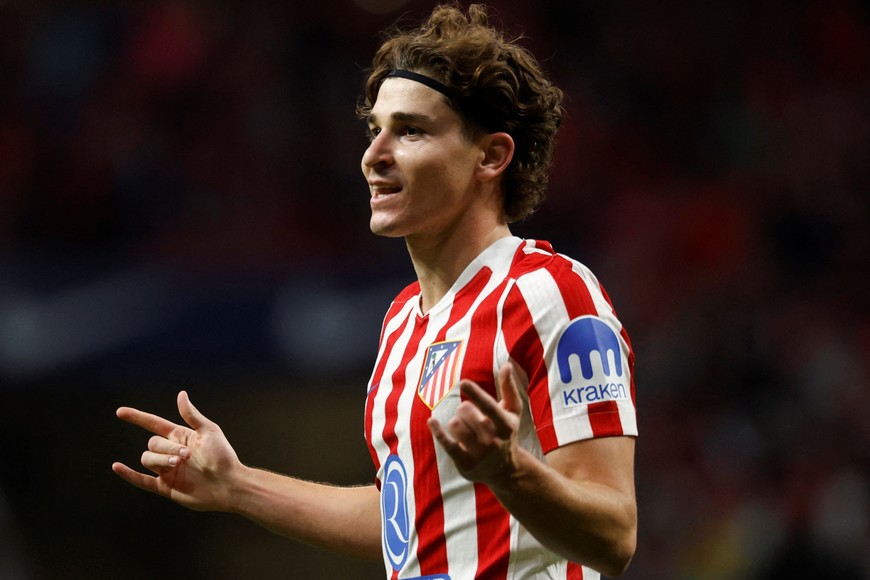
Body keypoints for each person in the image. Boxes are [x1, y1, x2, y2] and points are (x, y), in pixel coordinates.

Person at [112, 4, 638, 579]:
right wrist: (238, 486)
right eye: (375, 130)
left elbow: (615, 533)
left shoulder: (551, 293)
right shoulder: (402, 322)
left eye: (410, 130)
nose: (373, 156)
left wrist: (508, 471)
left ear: (491, 156)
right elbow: (405, 519)